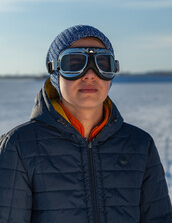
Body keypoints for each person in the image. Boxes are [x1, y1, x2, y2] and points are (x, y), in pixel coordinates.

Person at [0, 25, 172, 223]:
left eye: (102, 64)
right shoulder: (19, 146)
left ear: (112, 71)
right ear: (55, 71)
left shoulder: (140, 145)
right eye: (74, 63)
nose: (90, 74)